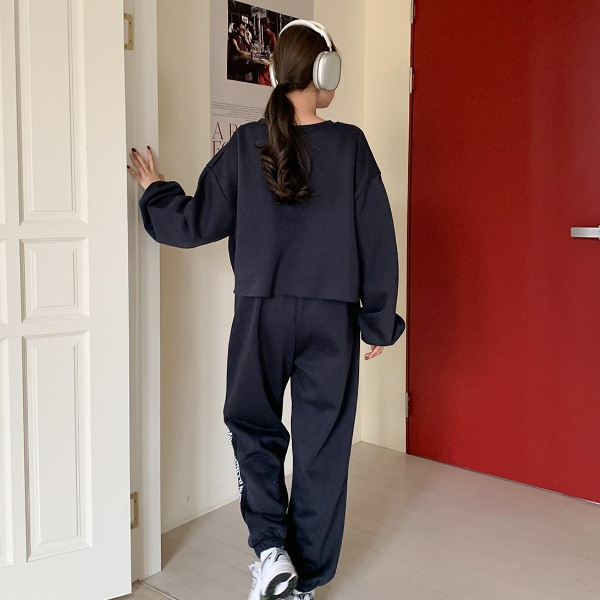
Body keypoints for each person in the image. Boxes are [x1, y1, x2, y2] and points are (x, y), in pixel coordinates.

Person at [127, 19, 405, 600]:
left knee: (253, 427)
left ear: (276, 74)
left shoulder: (247, 143)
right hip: (331, 319)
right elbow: (378, 238)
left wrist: (155, 191)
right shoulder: (350, 145)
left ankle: (271, 551)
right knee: (323, 445)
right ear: (325, 72)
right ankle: (306, 580)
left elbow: (195, 222)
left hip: (261, 315)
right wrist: (378, 320)